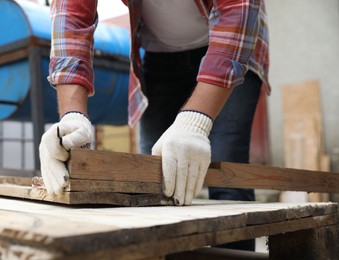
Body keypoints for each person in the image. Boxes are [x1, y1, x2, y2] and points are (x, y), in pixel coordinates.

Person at [39, 0, 270, 251]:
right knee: (153, 182)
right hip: (159, 54)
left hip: (233, 41)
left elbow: (238, 7)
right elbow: (71, 17)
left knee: (228, 177)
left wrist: (196, 120)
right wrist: (72, 117)